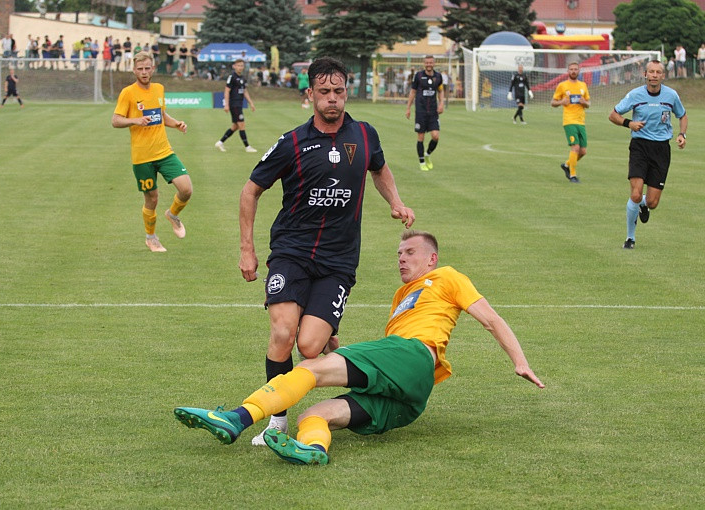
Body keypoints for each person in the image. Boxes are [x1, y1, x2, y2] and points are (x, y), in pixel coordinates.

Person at [175, 229, 544, 465]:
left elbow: (491, 319)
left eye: (410, 252)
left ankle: (237, 418)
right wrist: (338, 347)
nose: (402, 257)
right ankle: (313, 450)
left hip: (412, 354)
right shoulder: (404, 295)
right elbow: (378, 364)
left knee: (310, 368)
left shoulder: (446, 276)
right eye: (399, 253)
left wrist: (520, 361)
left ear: (431, 258)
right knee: (315, 415)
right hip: (412, 394)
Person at [236, 57, 416, 447]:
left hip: (339, 259)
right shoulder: (292, 142)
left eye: (338, 91)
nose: (332, 99)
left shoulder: (366, 135)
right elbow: (250, 190)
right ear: (311, 95)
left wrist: (395, 201)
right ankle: (277, 422)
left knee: (309, 347)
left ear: (346, 91)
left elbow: (379, 169)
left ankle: (326, 329)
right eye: (324, 92)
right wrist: (247, 250)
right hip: (291, 251)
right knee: (283, 332)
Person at [112, 51, 192, 253]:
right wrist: (135, 120)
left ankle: (173, 215)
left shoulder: (159, 88)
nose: (144, 72)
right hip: (142, 157)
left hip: (164, 151)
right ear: (134, 70)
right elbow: (115, 120)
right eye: (140, 69)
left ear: (153, 68)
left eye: (147, 68)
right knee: (152, 198)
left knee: (186, 189)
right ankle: (151, 238)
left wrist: (176, 124)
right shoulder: (128, 93)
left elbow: (161, 114)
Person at [608, 60, 687, 250]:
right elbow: (613, 115)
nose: (654, 75)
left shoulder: (671, 95)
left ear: (663, 76)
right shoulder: (635, 94)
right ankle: (630, 238)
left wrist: (682, 134)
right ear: (645, 74)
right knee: (635, 194)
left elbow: (682, 115)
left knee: (652, 202)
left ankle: (644, 203)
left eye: (658, 72)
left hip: (661, 150)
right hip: (640, 147)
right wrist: (629, 124)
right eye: (651, 71)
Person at [551, 62, 590, 183]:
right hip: (569, 121)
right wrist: (561, 102)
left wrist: (584, 102)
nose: (573, 71)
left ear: (579, 71)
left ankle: (567, 165)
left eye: (575, 69)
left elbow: (588, 104)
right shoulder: (562, 85)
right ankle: (572, 175)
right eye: (571, 69)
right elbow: (553, 102)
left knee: (583, 151)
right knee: (575, 148)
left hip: (581, 121)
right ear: (568, 71)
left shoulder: (583, 85)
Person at [405, 55, 444, 172]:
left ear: (434, 63)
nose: (429, 64)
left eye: (431, 62)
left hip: (433, 112)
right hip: (421, 111)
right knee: (421, 137)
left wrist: (441, 103)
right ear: (424, 63)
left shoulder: (438, 77)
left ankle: (427, 154)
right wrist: (408, 108)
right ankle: (421, 161)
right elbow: (412, 92)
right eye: (427, 63)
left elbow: (441, 91)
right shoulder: (419, 76)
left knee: (435, 136)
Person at [214, 59, 257, 153]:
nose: (240, 67)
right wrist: (226, 104)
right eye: (238, 65)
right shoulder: (232, 77)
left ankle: (220, 142)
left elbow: (245, 91)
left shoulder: (242, 78)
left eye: (242, 65)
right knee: (242, 125)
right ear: (234, 66)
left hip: (239, 104)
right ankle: (247, 147)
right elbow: (226, 91)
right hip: (234, 104)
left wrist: (251, 103)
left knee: (235, 126)